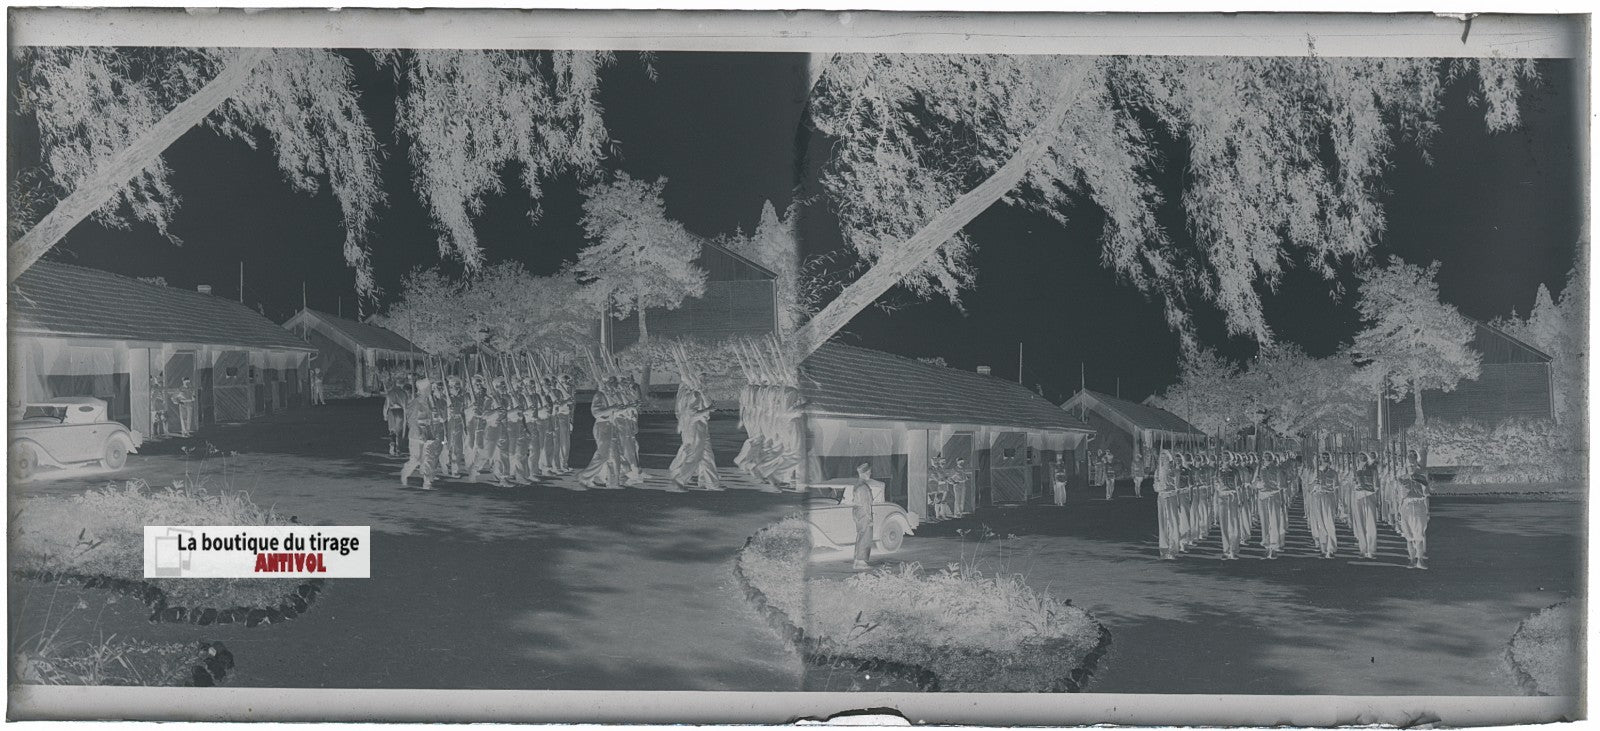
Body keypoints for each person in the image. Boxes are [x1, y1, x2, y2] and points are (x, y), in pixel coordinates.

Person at [669, 373, 721, 492]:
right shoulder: (695, 394)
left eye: (705, 380)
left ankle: (710, 483)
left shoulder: (696, 393)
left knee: (707, 455)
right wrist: (708, 409)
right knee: (694, 456)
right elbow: (691, 413)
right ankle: (679, 481)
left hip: (701, 426)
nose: (705, 382)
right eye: (702, 380)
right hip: (695, 427)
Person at [400, 377, 439, 490]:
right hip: (416, 435)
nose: (431, 390)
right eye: (429, 388)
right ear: (423, 389)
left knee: (428, 458)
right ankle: (405, 473)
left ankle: (427, 482)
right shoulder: (415, 403)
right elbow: (411, 420)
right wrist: (419, 432)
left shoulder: (430, 402)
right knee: (416, 459)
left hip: (428, 433)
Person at [1400, 450, 1431, 569]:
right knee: (1408, 536)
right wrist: (1399, 510)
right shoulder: (1401, 477)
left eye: (1413, 465)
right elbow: (1399, 496)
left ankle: (1420, 560)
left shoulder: (1422, 476)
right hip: (1406, 507)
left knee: (1419, 535)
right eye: (1409, 465)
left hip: (1419, 506)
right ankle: (1412, 560)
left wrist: (1427, 511)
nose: (1411, 467)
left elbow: (1426, 495)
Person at [1352, 451, 1380, 559]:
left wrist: (1374, 495)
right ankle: (1363, 549)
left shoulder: (1372, 468)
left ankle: (1371, 550)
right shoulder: (1355, 469)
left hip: (1369, 496)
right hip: (1358, 497)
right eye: (1360, 456)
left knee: (1371, 524)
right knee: (1360, 523)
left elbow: (1376, 484)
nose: (1362, 457)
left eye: (1364, 456)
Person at [850, 462, 877, 570]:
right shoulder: (863, 487)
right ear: (864, 473)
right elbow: (866, 504)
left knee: (860, 535)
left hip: (857, 512)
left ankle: (857, 560)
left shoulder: (858, 484)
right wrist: (870, 518)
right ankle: (861, 562)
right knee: (866, 536)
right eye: (869, 472)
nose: (870, 474)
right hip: (863, 513)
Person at [1154, 449, 1180, 560]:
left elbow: (1177, 486)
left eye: (1165, 457)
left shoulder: (1175, 470)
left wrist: (1168, 488)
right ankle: (1163, 550)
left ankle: (1173, 549)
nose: (1163, 459)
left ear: (1169, 458)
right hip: (1161, 497)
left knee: (1172, 522)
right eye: (1161, 457)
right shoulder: (1157, 471)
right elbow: (1155, 486)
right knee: (1163, 523)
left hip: (1171, 496)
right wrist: (1158, 486)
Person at [383, 373, 409, 457]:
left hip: (391, 412)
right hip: (400, 412)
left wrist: (385, 415)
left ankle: (392, 446)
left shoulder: (389, 393)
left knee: (392, 430)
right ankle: (398, 448)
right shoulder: (403, 393)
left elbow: (386, 406)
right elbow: (406, 406)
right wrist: (407, 416)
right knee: (399, 431)